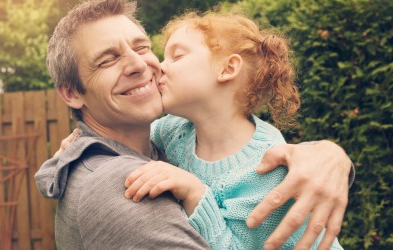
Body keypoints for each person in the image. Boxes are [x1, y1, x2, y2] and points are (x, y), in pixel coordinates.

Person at [36, 0, 354, 249]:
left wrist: (332, 155)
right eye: (107, 59)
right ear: (72, 93)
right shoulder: (166, 139)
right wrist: (68, 157)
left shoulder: (266, 168)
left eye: (144, 48)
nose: (148, 66)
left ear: (227, 70)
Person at [123, 11, 343, 249]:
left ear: (227, 69)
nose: (160, 68)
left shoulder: (267, 168)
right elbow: (123, 139)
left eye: (177, 56)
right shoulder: (173, 130)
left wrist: (194, 193)